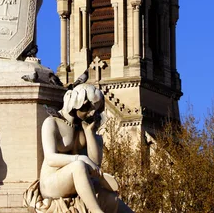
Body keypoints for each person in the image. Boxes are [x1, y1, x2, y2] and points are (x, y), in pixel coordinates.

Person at [24, 84, 134, 213]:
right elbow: (50, 159)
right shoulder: (52, 123)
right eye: (89, 107)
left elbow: (95, 164)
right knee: (79, 166)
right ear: (77, 103)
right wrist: (79, 158)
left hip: (80, 181)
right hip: (52, 183)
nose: (92, 113)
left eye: (96, 109)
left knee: (113, 200)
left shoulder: (82, 127)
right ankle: (96, 211)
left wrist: (89, 133)